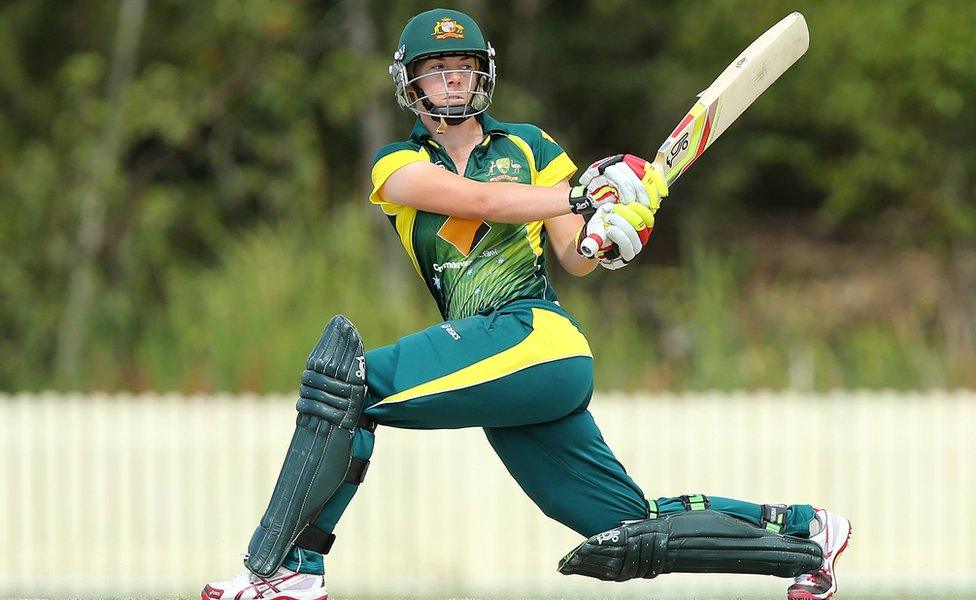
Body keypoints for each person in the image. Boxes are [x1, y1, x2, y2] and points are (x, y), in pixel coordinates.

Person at [202, 9, 851, 600]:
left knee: (352, 383)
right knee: (630, 528)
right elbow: (479, 202)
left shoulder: (532, 148)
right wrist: (584, 196)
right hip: (504, 366)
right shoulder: (395, 163)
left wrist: (613, 236)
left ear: (484, 75)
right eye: (437, 69)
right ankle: (805, 538)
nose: (453, 80)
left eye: (465, 67)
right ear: (412, 83)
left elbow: (574, 258)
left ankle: (286, 570)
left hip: (535, 338)